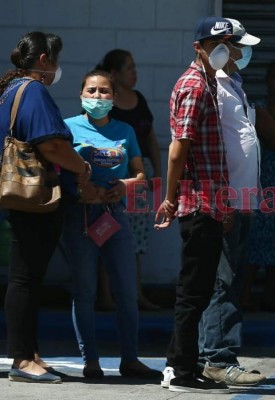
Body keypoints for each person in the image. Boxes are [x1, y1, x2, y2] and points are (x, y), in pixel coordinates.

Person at [154, 16, 240, 394]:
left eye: (230, 44)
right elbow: (179, 148)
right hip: (196, 202)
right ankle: (181, 372)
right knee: (193, 292)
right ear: (199, 47)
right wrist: (170, 198)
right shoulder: (194, 86)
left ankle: (180, 364)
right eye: (220, 44)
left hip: (209, 202)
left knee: (200, 289)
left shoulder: (208, 83)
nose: (230, 51)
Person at [0, 31, 91, 384]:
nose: (58, 68)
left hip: (24, 200)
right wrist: (82, 167)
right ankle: (22, 359)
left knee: (29, 277)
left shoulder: (10, 90)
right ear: (43, 60)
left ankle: (30, 353)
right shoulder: (34, 90)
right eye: (56, 60)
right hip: (35, 200)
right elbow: (51, 145)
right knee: (25, 278)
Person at [62, 70, 161, 380]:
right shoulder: (67, 129)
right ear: (81, 95)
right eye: (91, 90)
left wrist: (125, 185)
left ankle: (129, 358)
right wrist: (80, 189)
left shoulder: (126, 130)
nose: (97, 96)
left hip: (114, 215)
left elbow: (139, 174)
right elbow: (57, 170)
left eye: (104, 91)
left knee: (127, 291)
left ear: (114, 98)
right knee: (85, 291)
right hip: (79, 217)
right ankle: (90, 360)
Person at [197, 17, 266, 387]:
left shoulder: (233, 85)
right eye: (239, 46)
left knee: (229, 280)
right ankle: (216, 359)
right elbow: (209, 151)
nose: (244, 52)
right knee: (221, 282)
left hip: (242, 200)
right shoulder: (213, 89)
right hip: (226, 201)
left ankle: (214, 353)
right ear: (222, 48)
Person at [97, 49, 162, 311]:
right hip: (112, 173)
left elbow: (150, 138)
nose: (134, 73)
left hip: (139, 172)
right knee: (106, 230)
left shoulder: (139, 99)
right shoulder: (104, 101)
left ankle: (137, 294)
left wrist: (155, 172)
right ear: (114, 74)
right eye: (129, 68)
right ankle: (105, 294)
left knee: (136, 236)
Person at [244, 59, 275, 311]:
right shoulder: (258, 109)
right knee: (256, 238)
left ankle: (270, 294)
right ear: (267, 80)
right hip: (263, 181)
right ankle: (245, 293)